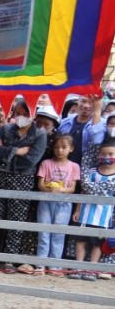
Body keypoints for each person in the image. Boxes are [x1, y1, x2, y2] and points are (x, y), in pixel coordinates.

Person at [0, 100, 47, 272]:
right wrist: (15, 151)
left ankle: (9, 260)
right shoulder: (5, 129)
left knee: (16, 221)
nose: (21, 117)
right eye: (18, 113)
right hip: (0, 177)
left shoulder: (40, 134)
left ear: (33, 115)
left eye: (25, 114)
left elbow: (31, 160)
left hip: (22, 179)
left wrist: (5, 151)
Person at [68, 140, 115, 280]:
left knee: (97, 244)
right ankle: (78, 267)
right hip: (85, 213)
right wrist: (77, 210)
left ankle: (92, 269)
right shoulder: (92, 172)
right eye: (103, 153)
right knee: (81, 241)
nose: (106, 156)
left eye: (110, 154)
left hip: (103, 217)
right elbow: (83, 190)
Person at [34, 134, 80, 275]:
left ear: (71, 149)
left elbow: (72, 188)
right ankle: (40, 264)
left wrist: (60, 190)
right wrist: (50, 189)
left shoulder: (74, 166)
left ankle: (55, 266)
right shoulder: (46, 163)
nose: (60, 150)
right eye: (56, 147)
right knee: (44, 232)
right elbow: (40, 184)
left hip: (64, 204)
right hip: (46, 202)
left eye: (64, 147)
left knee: (58, 234)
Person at [56, 94, 105, 172]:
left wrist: (97, 112)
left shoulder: (102, 124)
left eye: (91, 102)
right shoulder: (66, 121)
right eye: (83, 101)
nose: (86, 105)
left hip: (86, 169)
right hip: (61, 168)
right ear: (77, 102)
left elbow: (96, 141)